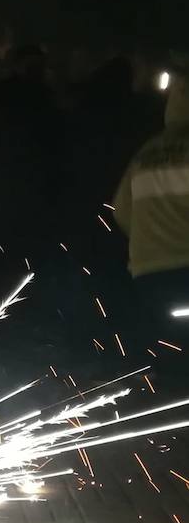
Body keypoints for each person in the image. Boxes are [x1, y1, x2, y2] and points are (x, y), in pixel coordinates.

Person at [113, 73, 189, 369]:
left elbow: (121, 211)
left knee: (167, 349)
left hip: (148, 273)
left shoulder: (146, 153)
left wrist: (152, 240)